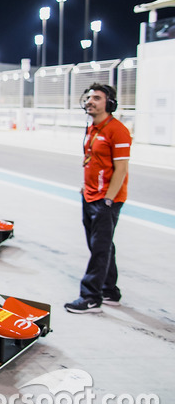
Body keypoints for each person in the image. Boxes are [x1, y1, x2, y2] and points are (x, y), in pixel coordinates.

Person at [65, 84, 131, 314]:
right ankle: (110, 291)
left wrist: (108, 200)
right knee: (100, 245)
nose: (90, 101)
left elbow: (121, 169)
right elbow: (93, 161)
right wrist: (86, 188)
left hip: (106, 200)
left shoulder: (118, 130)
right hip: (90, 195)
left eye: (97, 98)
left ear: (109, 103)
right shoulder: (92, 128)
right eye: (89, 97)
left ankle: (91, 297)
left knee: (100, 248)